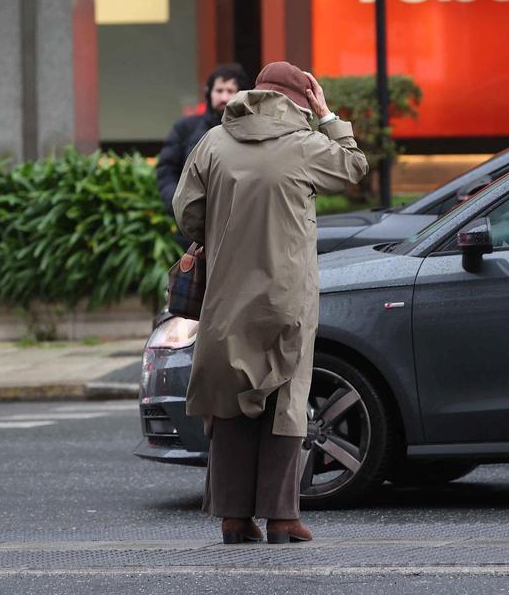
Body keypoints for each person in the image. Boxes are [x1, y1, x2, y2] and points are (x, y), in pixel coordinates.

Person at [173, 61, 368, 545]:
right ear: (300, 100)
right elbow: (354, 167)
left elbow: (187, 210)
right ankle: (282, 518)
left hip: (225, 295)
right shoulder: (304, 145)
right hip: (286, 295)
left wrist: (222, 232)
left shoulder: (213, 142)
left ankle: (234, 519)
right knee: (285, 398)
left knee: (231, 399)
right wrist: (328, 116)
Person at [156, 64, 253, 220]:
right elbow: (166, 170)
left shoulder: (252, 130)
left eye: (230, 91)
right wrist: (180, 205)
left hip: (237, 223)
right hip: (191, 227)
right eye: (219, 91)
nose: (224, 98)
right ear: (209, 93)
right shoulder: (186, 127)